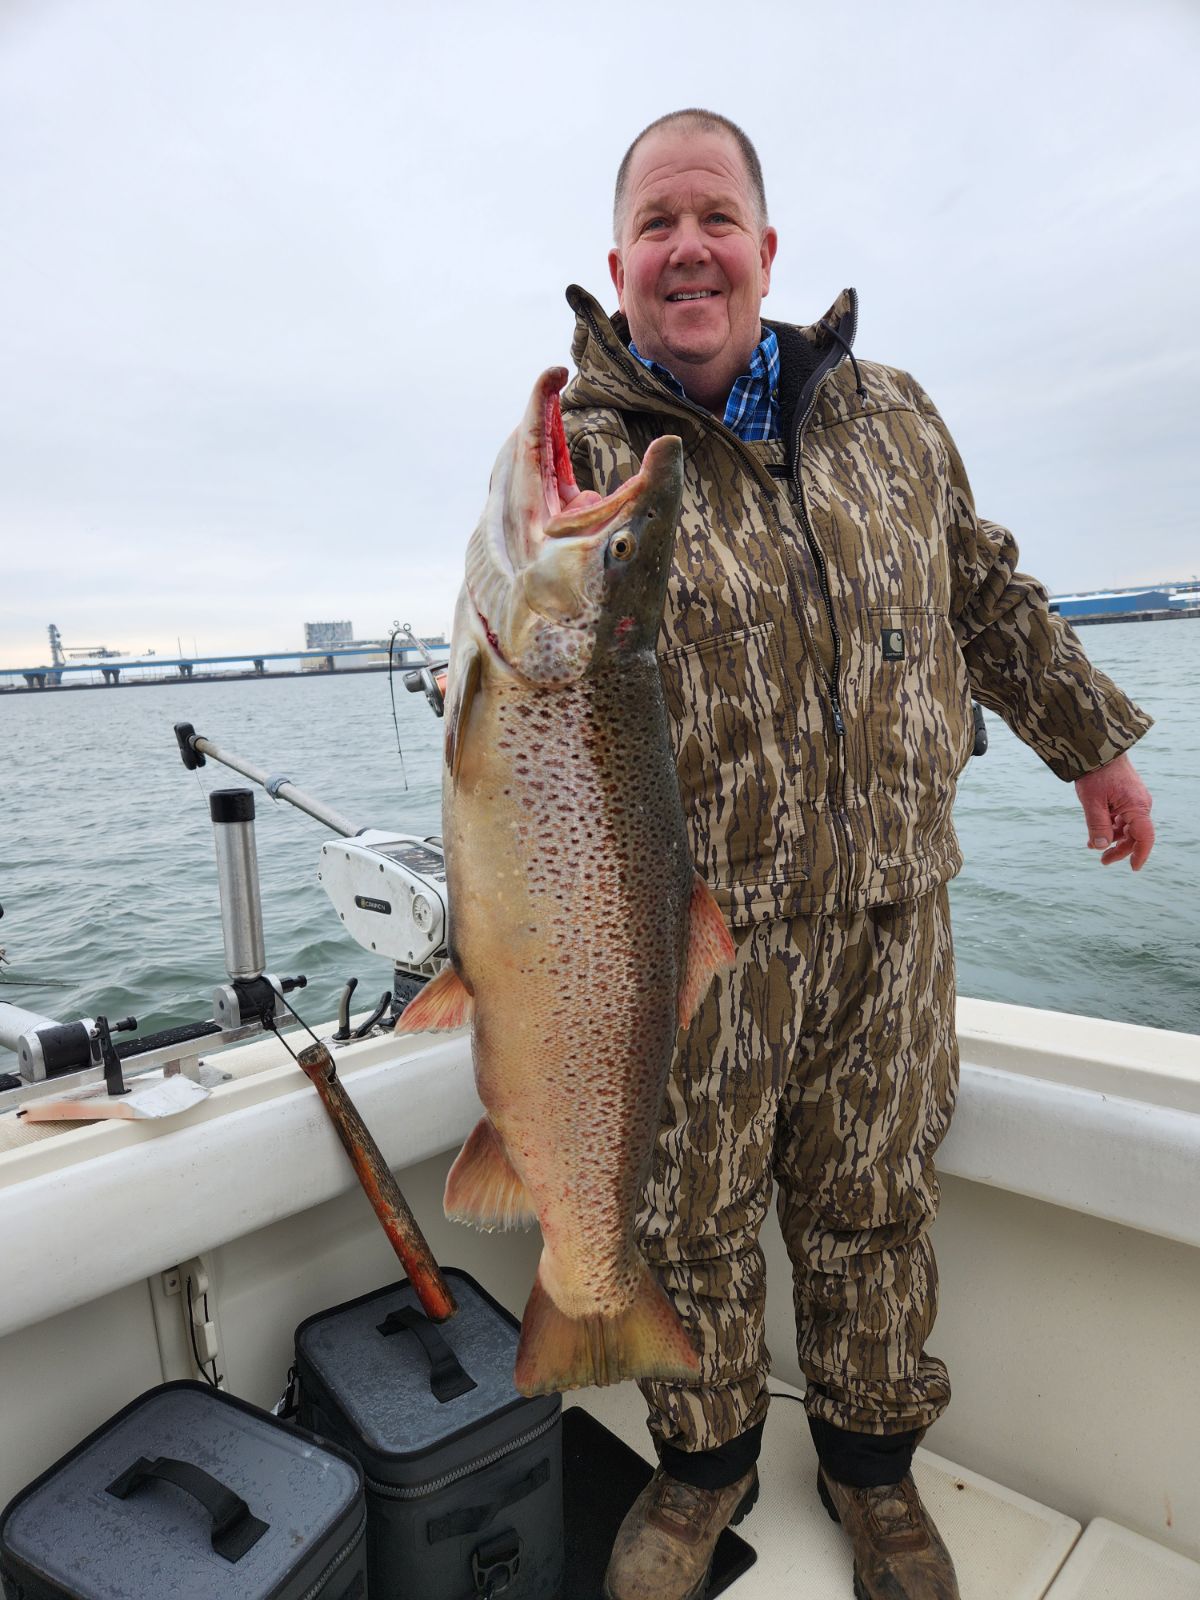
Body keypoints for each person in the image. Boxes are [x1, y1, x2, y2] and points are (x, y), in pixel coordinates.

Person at [559, 109, 1156, 1600]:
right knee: (687, 1218)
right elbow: (515, 651)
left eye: (715, 216)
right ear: (617, 262)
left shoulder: (887, 411)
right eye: (656, 221)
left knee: (875, 1204)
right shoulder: (578, 449)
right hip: (691, 928)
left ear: (767, 248)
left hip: (895, 910)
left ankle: (873, 1473)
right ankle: (700, 1473)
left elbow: (983, 586)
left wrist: (1089, 740)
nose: (686, 246)